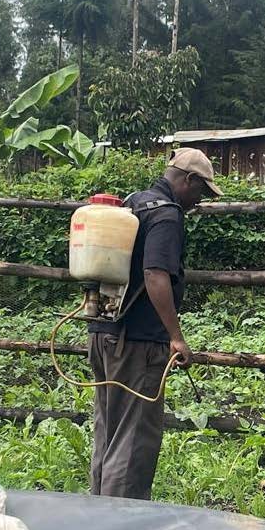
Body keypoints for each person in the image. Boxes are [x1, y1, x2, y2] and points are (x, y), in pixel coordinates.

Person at [87, 148, 222, 500]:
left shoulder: (134, 204)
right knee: (133, 440)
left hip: (104, 333)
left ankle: (98, 519)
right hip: (139, 343)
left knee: (109, 430)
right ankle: (122, 529)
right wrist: (176, 337)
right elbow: (155, 275)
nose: (199, 201)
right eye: (201, 191)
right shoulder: (166, 216)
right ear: (187, 180)